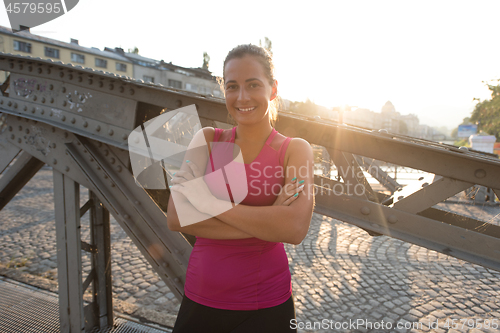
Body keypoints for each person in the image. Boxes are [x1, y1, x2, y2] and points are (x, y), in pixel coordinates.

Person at [166, 44, 315, 333]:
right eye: (232, 86)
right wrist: (270, 219)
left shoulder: (294, 150)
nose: (242, 97)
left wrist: (207, 203)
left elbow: (295, 229)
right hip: (202, 297)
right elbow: (176, 217)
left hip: (267, 305)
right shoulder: (208, 140)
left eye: (253, 85)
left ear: (272, 89)